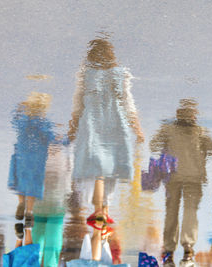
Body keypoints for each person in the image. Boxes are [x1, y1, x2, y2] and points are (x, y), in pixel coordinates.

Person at [67, 36, 144, 262]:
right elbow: (128, 103)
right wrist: (137, 128)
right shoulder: (121, 74)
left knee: (97, 169)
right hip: (114, 126)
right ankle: (102, 212)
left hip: (91, 124)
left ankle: (99, 213)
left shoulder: (84, 74)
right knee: (108, 170)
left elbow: (78, 102)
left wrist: (72, 127)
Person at [150, 99, 212, 267]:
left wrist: (166, 146)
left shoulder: (168, 129)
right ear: (194, 115)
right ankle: (187, 251)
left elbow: (153, 144)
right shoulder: (200, 131)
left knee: (171, 213)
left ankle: (169, 253)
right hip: (194, 178)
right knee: (190, 213)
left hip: (173, 177)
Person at [8, 92, 58, 227]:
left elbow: (13, 119)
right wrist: (67, 139)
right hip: (37, 160)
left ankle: (20, 203)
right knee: (33, 185)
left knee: (21, 181)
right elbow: (52, 138)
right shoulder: (44, 123)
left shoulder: (22, 121)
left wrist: (19, 107)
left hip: (21, 156)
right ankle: (29, 212)